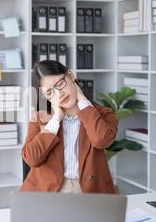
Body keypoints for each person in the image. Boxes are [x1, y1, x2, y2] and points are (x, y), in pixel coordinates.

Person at [21, 60, 118, 194]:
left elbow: (101, 139)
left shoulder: (103, 114)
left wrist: (83, 101)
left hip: (88, 193)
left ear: (71, 76)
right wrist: (55, 120)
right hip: (47, 193)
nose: (59, 94)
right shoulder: (39, 119)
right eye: (50, 92)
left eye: (60, 84)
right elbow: (31, 158)